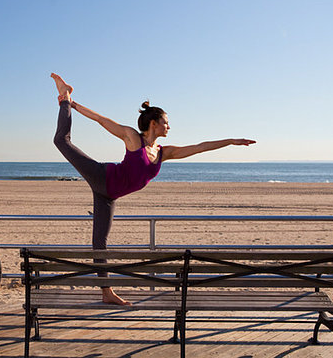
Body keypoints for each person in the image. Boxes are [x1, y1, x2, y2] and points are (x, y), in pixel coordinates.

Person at [51, 73, 255, 305]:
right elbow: (101, 119)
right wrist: (71, 103)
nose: (169, 126)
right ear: (154, 123)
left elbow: (200, 147)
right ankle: (64, 95)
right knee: (61, 141)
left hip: (108, 195)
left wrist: (231, 141)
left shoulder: (163, 153)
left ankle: (107, 293)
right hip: (102, 176)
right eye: (166, 122)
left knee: (100, 243)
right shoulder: (132, 138)